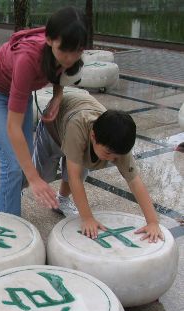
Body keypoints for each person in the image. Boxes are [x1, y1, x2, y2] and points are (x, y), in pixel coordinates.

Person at [0, 6, 88, 216]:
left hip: (21, 93)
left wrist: (57, 96)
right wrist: (35, 179)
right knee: (14, 167)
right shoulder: (28, 58)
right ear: (49, 40)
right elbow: (13, 127)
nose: (70, 58)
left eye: (78, 51)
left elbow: (63, 72)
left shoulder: (68, 52)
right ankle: (10, 231)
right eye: (65, 50)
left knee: (21, 167)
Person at [32, 91, 163, 242]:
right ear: (93, 136)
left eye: (116, 157)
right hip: (54, 123)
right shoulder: (78, 128)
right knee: (41, 175)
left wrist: (153, 222)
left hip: (80, 121)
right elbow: (74, 178)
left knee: (81, 165)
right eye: (108, 153)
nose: (112, 159)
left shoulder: (117, 142)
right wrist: (87, 218)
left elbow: (134, 180)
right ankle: (17, 186)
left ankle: (62, 199)